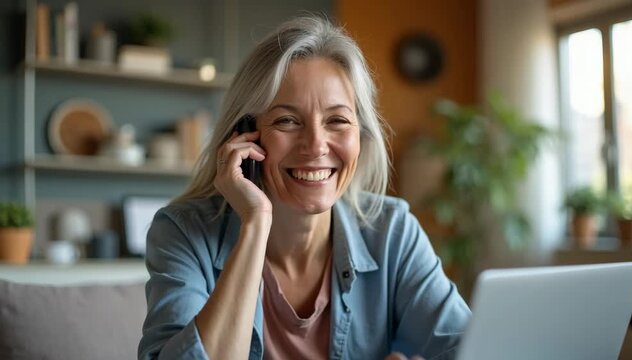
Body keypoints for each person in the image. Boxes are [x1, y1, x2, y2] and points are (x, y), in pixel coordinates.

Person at [138, 16, 471, 360]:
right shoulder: (183, 232)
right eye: (287, 121)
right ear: (244, 136)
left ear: (361, 135)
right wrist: (255, 225)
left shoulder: (392, 232)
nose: (315, 146)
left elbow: (468, 348)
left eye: (337, 120)